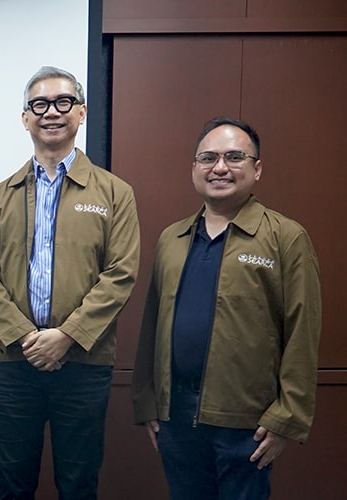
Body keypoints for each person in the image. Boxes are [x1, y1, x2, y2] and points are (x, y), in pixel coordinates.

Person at [0, 66, 141, 499]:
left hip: (83, 364)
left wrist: (66, 336)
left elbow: (120, 274)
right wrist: (28, 337)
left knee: (79, 484)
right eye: (39, 105)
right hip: (13, 364)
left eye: (63, 102)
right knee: (12, 483)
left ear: (80, 113)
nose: (51, 113)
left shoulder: (115, 193)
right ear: (25, 118)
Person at [131, 117, 322, 499]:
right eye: (208, 158)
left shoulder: (285, 237)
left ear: (257, 168)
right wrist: (147, 402)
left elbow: (303, 331)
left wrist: (288, 418)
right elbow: (152, 325)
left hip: (247, 422)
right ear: (194, 168)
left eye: (235, 157)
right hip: (177, 416)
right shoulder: (174, 237)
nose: (219, 168)